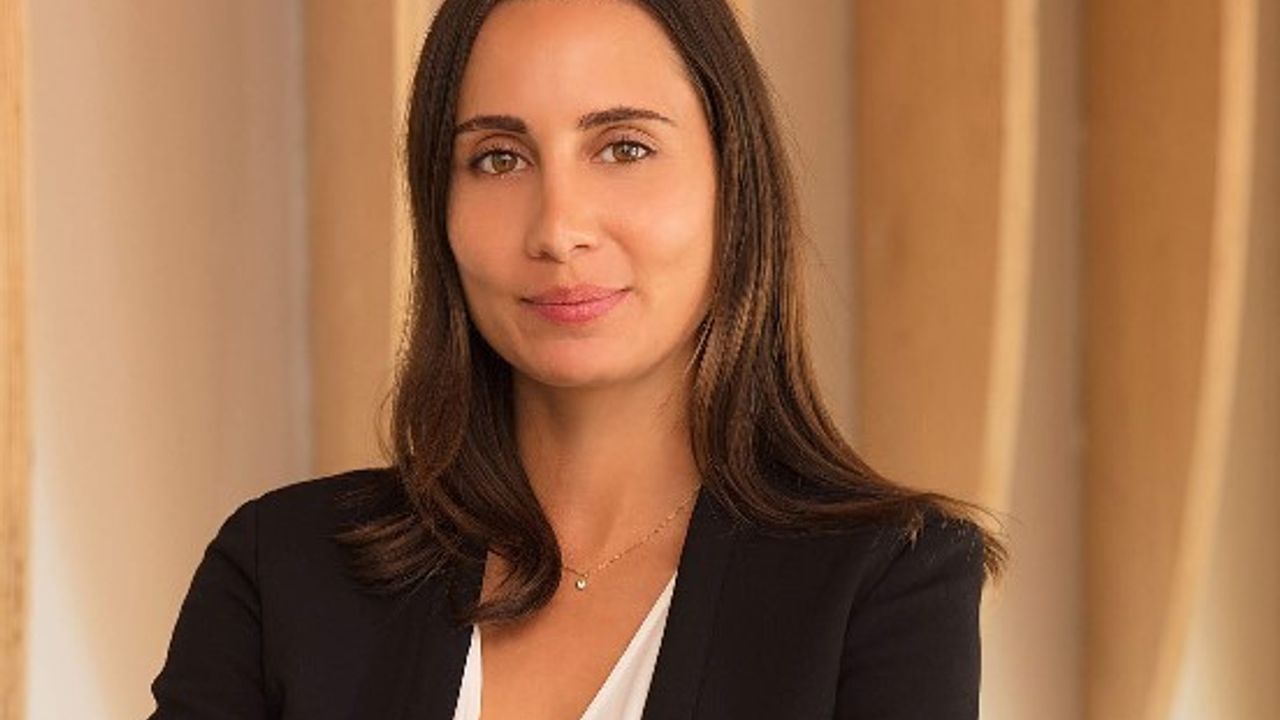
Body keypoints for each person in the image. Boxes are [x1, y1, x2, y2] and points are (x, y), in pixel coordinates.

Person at [150, 0, 1007, 718]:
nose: (558, 229)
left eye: (624, 147)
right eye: (499, 158)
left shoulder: (885, 584)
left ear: (733, 182)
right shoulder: (282, 570)